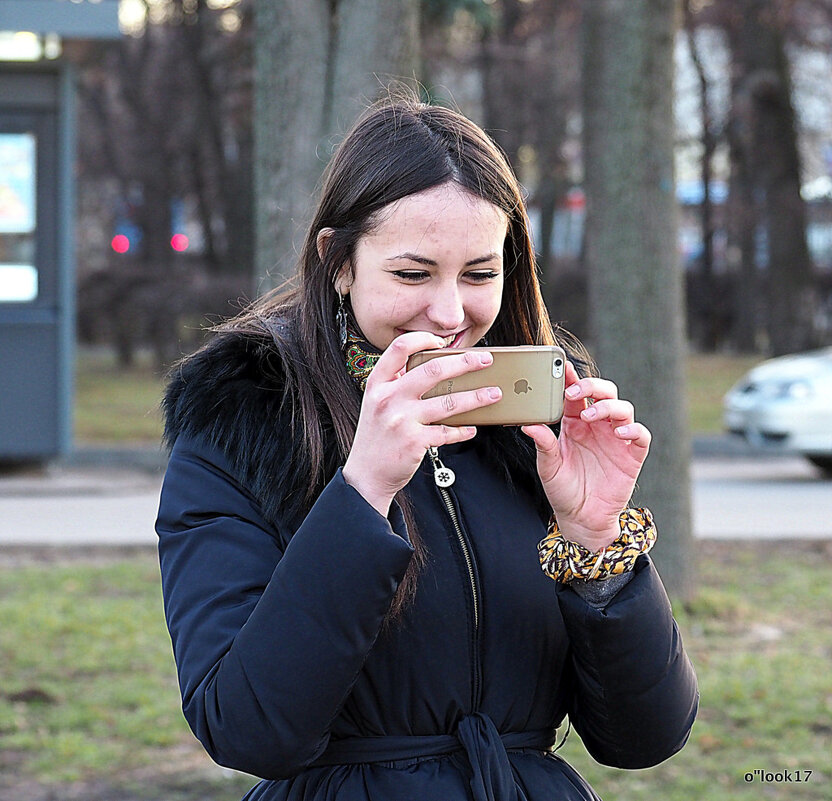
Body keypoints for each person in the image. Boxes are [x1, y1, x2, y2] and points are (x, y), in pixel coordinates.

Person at [156, 93, 698, 801]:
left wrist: (596, 543)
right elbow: (249, 728)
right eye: (413, 274)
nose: (450, 315)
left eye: (479, 274)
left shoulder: (541, 419)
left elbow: (645, 736)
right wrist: (364, 490)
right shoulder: (246, 415)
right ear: (339, 261)